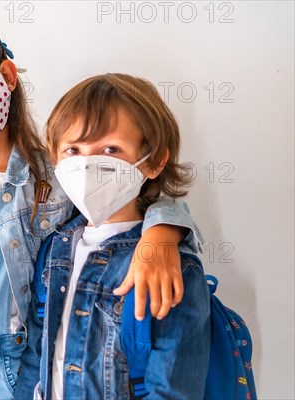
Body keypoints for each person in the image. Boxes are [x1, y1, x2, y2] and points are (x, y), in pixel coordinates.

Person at [0, 20, 203, 399]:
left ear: (5, 75)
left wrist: (164, 235)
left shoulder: (61, 175)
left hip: (3, 370)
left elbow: (138, 200)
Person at [18, 73, 211, 399]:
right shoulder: (54, 247)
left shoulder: (168, 267)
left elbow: (171, 388)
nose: (88, 163)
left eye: (111, 148)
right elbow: (36, 354)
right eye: (74, 149)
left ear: (154, 161)